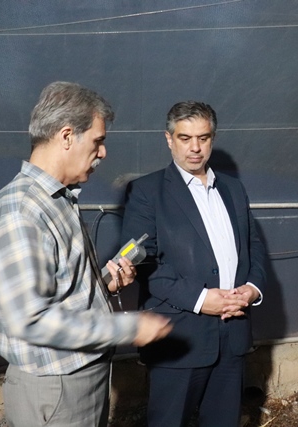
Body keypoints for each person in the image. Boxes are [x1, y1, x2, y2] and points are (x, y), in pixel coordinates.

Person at [0, 81, 172, 427]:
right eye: (98, 140)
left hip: (74, 381)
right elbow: (32, 320)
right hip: (57, 388)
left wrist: (103, 285)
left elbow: (55, 289)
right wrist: (127, 327)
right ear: (67, 136)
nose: (103, 152)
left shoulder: (57, 200)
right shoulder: (21, 212)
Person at [120, 101, 267, 427]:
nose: (195, 148)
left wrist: (251, 289)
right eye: (185, 138)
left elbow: (253, 247)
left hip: (232, 335)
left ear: (213, 138)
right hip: (179, 340)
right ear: (169, 139)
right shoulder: (146, 192)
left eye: (203, 138)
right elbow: (144, 264)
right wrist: (202, 300)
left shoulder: (233, 188)